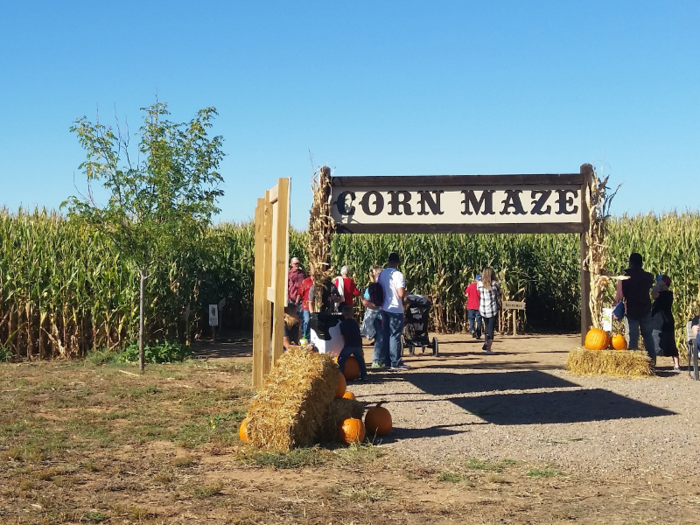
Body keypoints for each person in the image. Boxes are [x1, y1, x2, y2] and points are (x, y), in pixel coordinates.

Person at [613, 253, 655, 360]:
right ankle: (652, 361)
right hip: (645, 308)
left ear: (630, 262)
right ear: (641, 263)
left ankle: (634, 362)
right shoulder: (648, 276)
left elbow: (620, 294)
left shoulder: (625, 278)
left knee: (633, 337)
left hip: (631, 310)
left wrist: (615, 307)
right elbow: (650, 283)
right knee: (648, 337)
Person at [378, 252, 411, 371]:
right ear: (398, 262)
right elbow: (400, 293)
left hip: (384, 308)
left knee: (386, 334)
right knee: (395, 335)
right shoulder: (398, 275)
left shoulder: (382, 274)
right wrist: (407, 293)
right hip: (395, 309)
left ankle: (387, 361)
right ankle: (395, 362)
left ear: (388, 261)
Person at [651, 275, 680, 371]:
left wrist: (658, 285)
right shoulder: (665, 294)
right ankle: (653, 364)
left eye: (659, 281)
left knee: (665, 344)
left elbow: (653, 293)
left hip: (661, 323)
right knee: (658, 345)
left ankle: (676, 364)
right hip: (661, 322)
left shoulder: (666, 294)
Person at [361, 266, 384, 369]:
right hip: (376, 317)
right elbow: (365, 302)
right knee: (379, 337)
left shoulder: (384, 287)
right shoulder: (372, 288)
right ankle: (376, 360)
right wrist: (377, 305)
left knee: (383, 338)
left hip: (383, 316)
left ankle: (383, 360)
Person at [338, 305, 369, 381]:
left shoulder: (342, 324)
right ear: (352, 313)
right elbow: (358, 334)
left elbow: (343, 336)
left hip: (348, 345)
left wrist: (344, 344)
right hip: (357, 344)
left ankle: (339, 376)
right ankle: (364, 376)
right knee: (361, 361)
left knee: (341, 360)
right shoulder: (355, 323)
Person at [477, 267, 501, 354]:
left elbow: (478, 290)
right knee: (490, 328)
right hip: (492, 309)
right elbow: (499, 294)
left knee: (486, 326)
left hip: (483, 309)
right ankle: (489, 349)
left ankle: (486, 341)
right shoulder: (495, 284)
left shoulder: (479, 284)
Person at [465, 274, 482, 339]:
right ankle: (478, 334)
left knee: (471, 319)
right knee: (479, 320)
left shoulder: (470, 286)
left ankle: (472, 330)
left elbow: (466, 295)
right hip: (479, 306)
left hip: (470, 306)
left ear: (475, 279)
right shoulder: (482, 287)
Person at [296, 275, 313, 339]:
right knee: (306, 320)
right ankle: (304, 337)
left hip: (316, 306)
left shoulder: (319, 282)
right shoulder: (305, 281)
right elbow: (299, 293)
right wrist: (296, 302)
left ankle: (310, 338)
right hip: (306, 305)